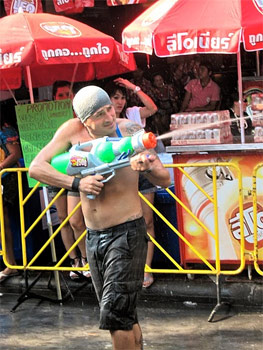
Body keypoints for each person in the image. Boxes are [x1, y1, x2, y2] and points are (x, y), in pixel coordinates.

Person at [29, 85, 171, 350]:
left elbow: (165, 178)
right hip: (94, 239)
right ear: (84, 120)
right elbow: (37, 167)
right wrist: (76, 184)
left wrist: (148, 167)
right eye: (99, 113)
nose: (108, 116)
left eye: (109, 108)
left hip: (127, 233)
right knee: (124, 313)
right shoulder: (72, 130)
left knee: (116, 317)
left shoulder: (129, 131)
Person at [104, 77, 159, 288]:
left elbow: (152, 108)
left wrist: (132, 87)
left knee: (147, 221)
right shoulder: (102, 124)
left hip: (142, 174)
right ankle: (125, 267)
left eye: (122, 98)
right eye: (115, 98)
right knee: (121, 223)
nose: (120, 102)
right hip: (118, 178)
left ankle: (147, 268)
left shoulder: (132, 115)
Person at [49, 81, 90, 280]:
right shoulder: (49, 119)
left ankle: (85, 258)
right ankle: (74, 261)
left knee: (77, 221)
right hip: (55, 174)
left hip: (76, 174)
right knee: (64, 220)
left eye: (68, 94)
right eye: (60, 95)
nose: (65, 98)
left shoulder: (80, 121)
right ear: (54, 98)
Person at [0, 117, 22, 282]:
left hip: (7, 179)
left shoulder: (6, 129)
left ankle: (11, 263)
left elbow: (15, 154)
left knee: (4, 221)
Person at [150, 72, 179, 138]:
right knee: (156, 119)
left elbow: (174, 102)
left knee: (164, 120)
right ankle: (163, 136)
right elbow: (153, 104)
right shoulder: (153, 91)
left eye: (160, 80)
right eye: (157, 81)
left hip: (171, 110)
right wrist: (160, 111)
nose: (159, 82)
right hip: (159, 111)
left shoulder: (169, 88)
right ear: (154, 83)